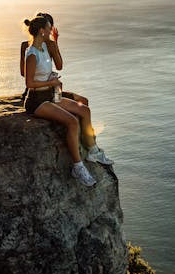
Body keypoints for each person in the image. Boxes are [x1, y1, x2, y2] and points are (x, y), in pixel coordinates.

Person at [23, 14, 113, 188]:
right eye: (49, 27)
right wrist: (52, 82)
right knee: (72, 122)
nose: (51, 29)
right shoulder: (32, 53)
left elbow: (59, 65)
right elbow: (29, 83)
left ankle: (93, 151)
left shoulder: (44, 48)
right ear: (42, 30)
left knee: (84, 111)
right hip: (37, 100)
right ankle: (77, 167)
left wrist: (55, 43)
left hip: (51, 94)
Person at [19, 12, 88, 105]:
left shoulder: (25, 46)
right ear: (42, 29)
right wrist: (55, 43)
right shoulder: (50, 45)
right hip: (49, 92)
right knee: (83, 101)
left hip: (30, 92)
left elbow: (23, 73)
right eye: (49, 27)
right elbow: (59, 66)